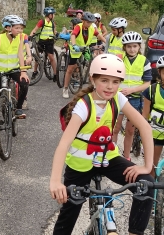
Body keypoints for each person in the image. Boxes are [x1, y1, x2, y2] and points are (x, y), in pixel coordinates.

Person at [50, 54, 154, 235]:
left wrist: (146, 166)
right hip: (80, 165)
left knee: (146, 183)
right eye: (104, 80)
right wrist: (55, 182)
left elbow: (144, 126)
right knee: (69, 214)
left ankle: (135, 232)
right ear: (93, 79)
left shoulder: (117, 99)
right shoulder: (84, 106)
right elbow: (63, 145)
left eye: (115, 82)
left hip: (108, 158)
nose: (110, 86)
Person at [112, 31, 152, 161]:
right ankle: (112, 155)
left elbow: (147, 83)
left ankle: (126, 157)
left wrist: (132, 90)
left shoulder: (144, 61)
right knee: (115, 128)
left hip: (134, 99)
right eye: (129, 46)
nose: (132, 49)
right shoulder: (118, 59)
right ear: (124, 47)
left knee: (130, 131)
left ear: (139, 47)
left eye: (135, 46)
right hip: (118, 98)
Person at [62, 12, 106, 99]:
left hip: (85, 48)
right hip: (76, 49)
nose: (89, 24)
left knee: (91, 64)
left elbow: (99, 35)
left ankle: (91, 84)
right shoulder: (78, 26)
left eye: (91, 22)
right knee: (70, 69)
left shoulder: (92, 28)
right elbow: (73, 35)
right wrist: (74, 45)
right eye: (88, 22)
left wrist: (107, 43)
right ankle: (65, 88)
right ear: (83, 21)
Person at [142, 55, 164, 177]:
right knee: (152, 166)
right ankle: (151, 192)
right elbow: (144, 115)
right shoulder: (151, 90)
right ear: (159, 72)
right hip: (155, 134)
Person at [30, 6, 57, 82]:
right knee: (38, 57)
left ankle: (55, 74)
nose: (54, 15)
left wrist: (57, 34)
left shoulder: (53, 23)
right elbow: (35, 29)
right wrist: (30, 36)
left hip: (50, 42)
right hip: (42, 41)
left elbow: (55, 32)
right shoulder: (42, 21)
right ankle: (35, 71)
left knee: (51, 57)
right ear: (49, 15)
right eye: (53, 14)